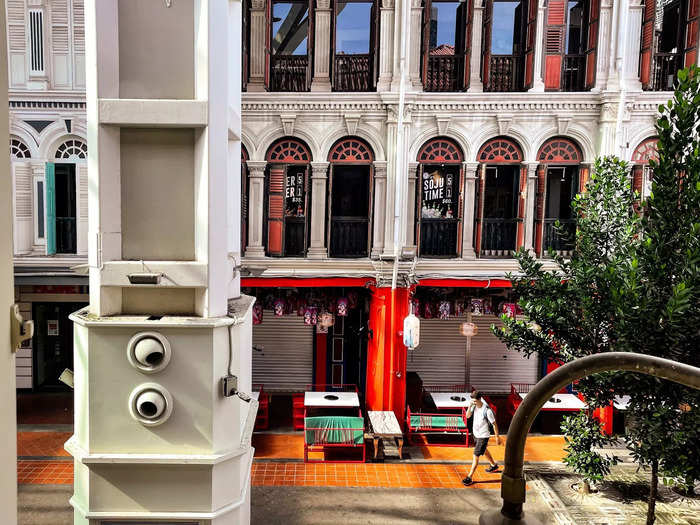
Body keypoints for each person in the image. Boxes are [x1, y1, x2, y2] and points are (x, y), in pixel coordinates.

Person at [462, 390, 501, 486]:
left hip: (483, 436)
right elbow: (467, 416)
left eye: (474, 401)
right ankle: (493, 465)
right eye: (472, 401)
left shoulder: (487, 411)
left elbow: (494, 424)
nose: (473, 402)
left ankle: (469, 477)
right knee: (484, 450)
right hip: (476, 434)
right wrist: (470, 406)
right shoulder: (474, 406)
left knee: (476, 455)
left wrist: (497, 437)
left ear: (480, 399)